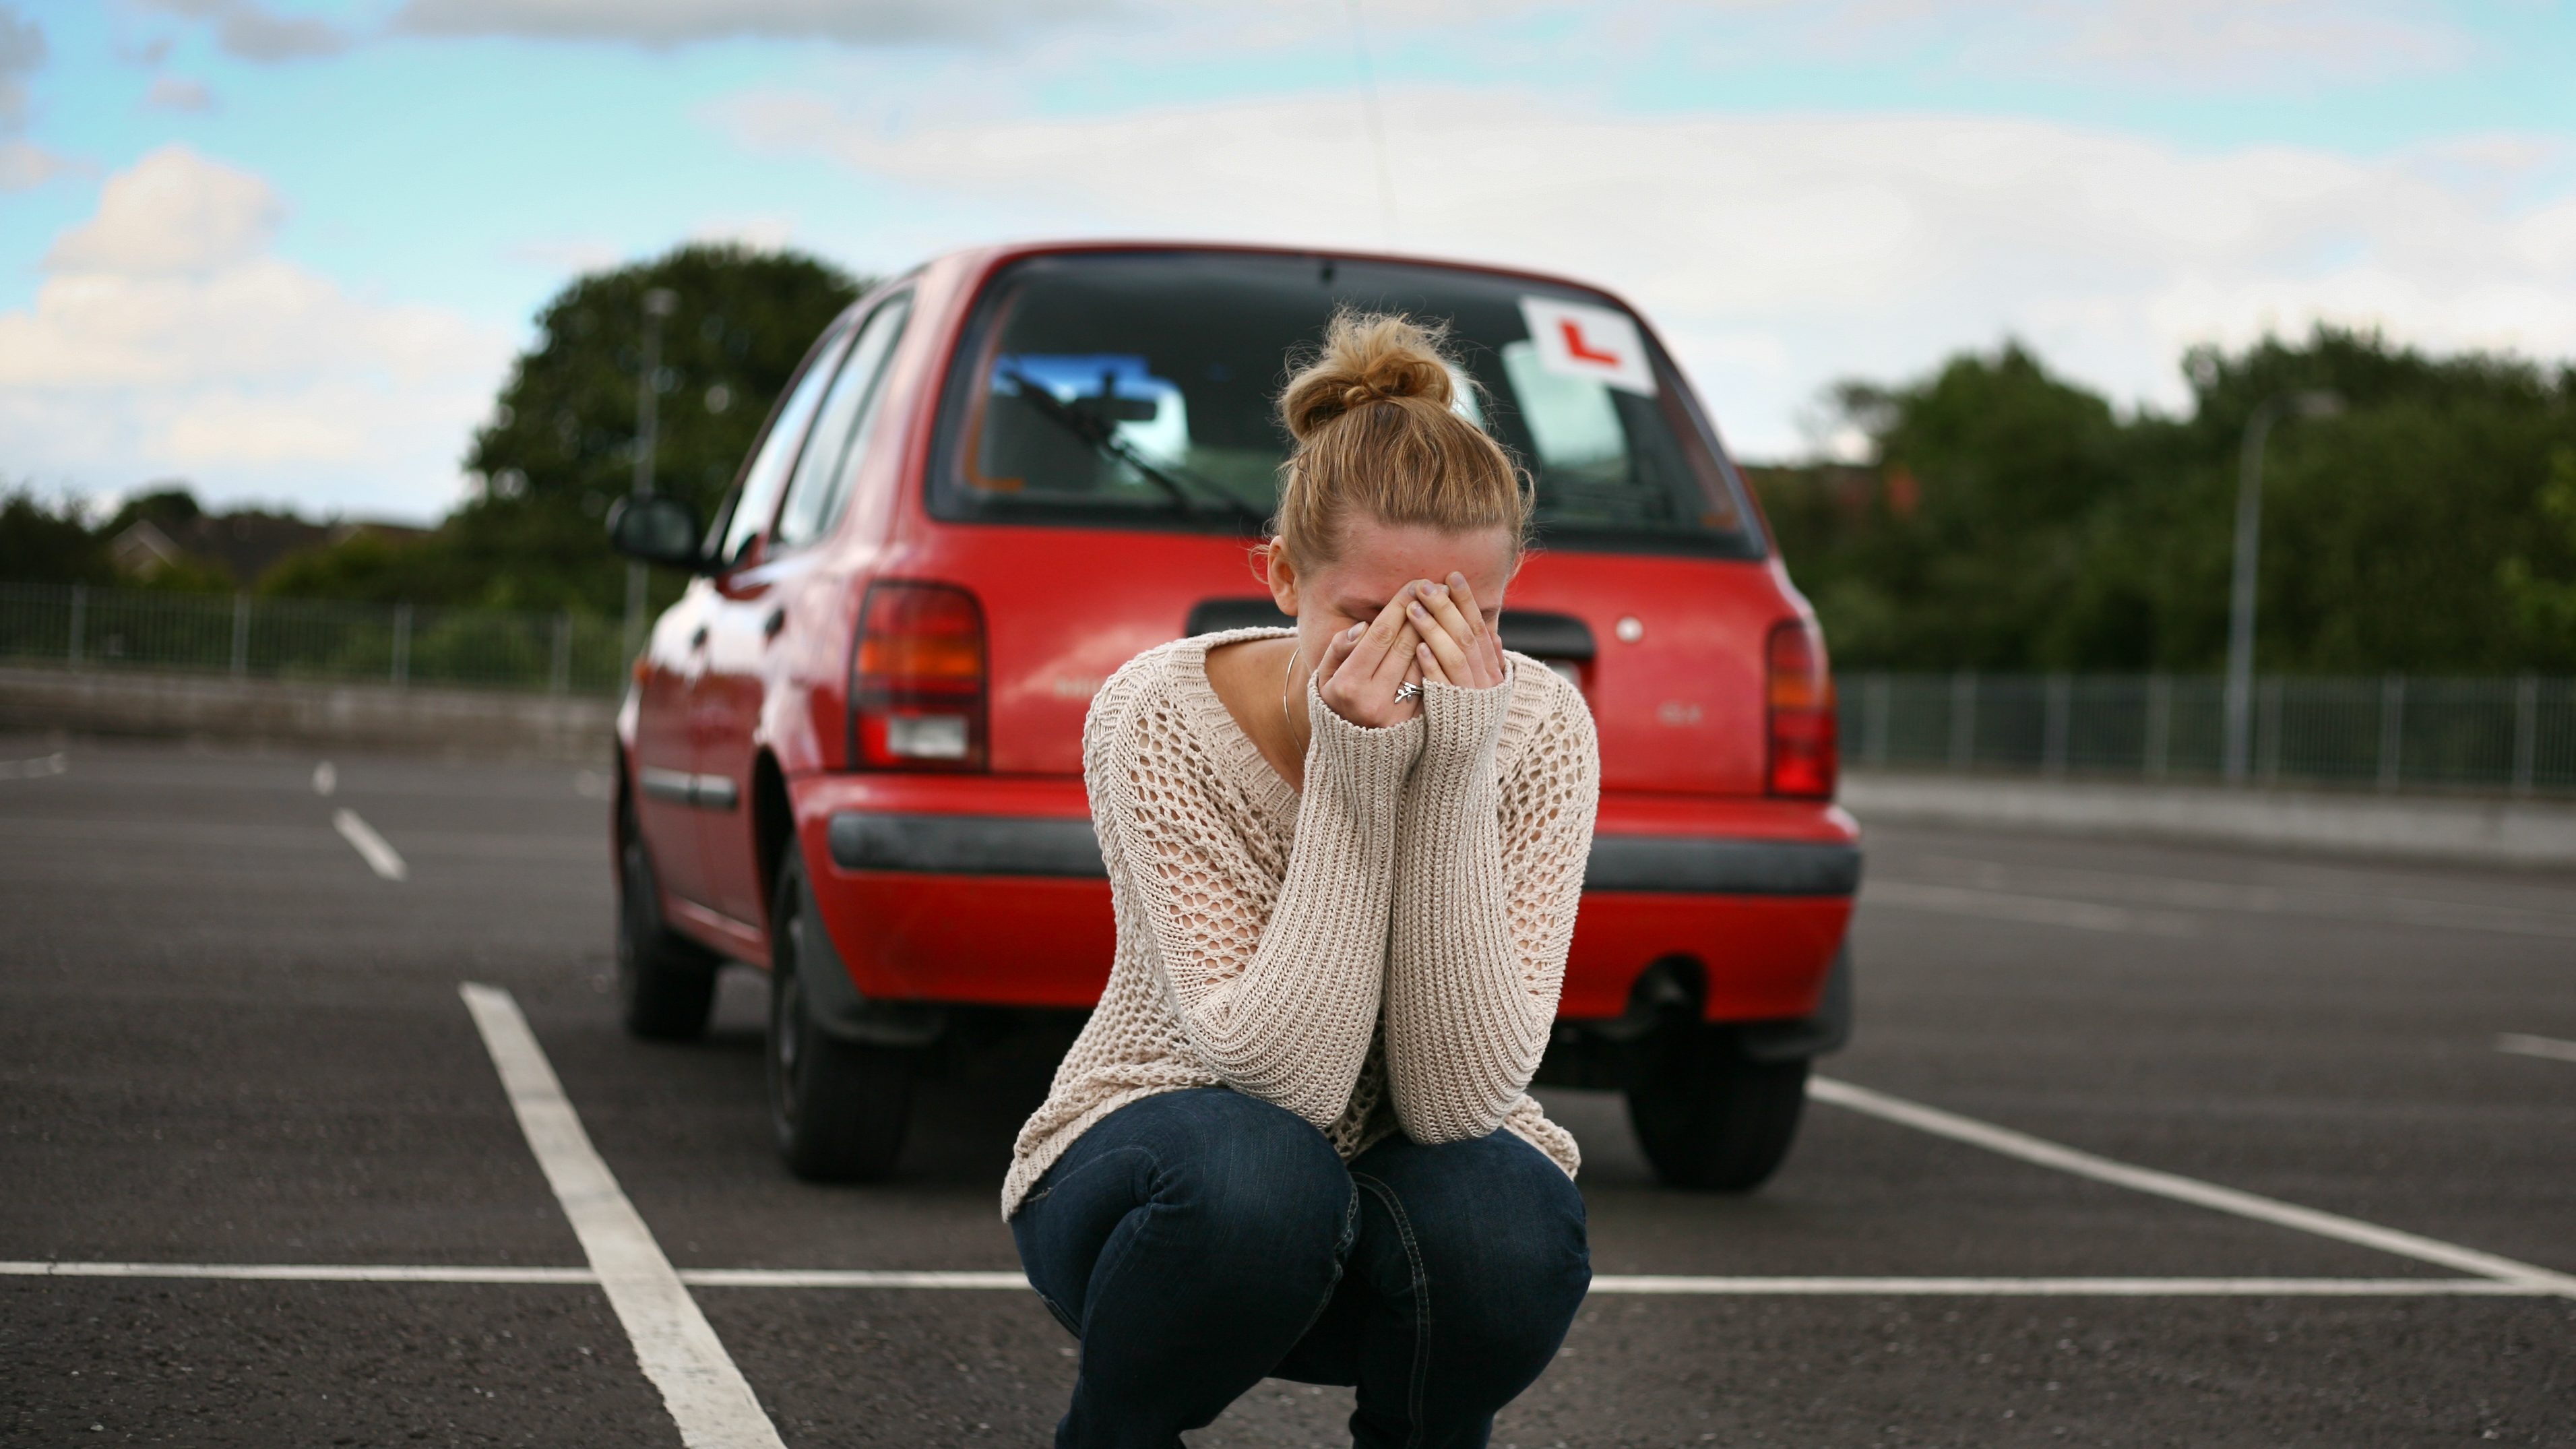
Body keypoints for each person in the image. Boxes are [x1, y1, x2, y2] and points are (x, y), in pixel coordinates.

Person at [1005, 311, 1602, 1449]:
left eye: (1460, 617)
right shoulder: (1159, 713)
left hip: (1398, 1191)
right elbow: (1285, 1079)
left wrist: (1450, 771)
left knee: (1508, 1216)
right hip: (1158, 1182)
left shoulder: (1537, 728)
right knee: (1262, 1179)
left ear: (1510, 588)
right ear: (1281, 576)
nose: (1416, 657)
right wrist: (1357, 773)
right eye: (1370, 617)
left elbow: (1454, 1102)